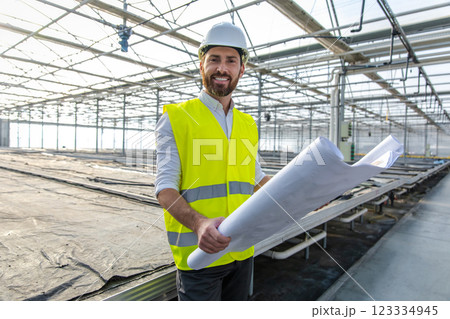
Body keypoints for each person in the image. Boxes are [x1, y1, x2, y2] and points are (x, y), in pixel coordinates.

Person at [155, 21, 270, 301]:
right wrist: (199, 224)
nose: (222, 68)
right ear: (201, 65)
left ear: (241, 69)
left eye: (231, 60)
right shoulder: (177, 118)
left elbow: (256, 180)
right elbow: (165, 188)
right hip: (200, 255)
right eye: (214, 59)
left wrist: (306, 190)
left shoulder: (248, 124)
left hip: (241, 251)